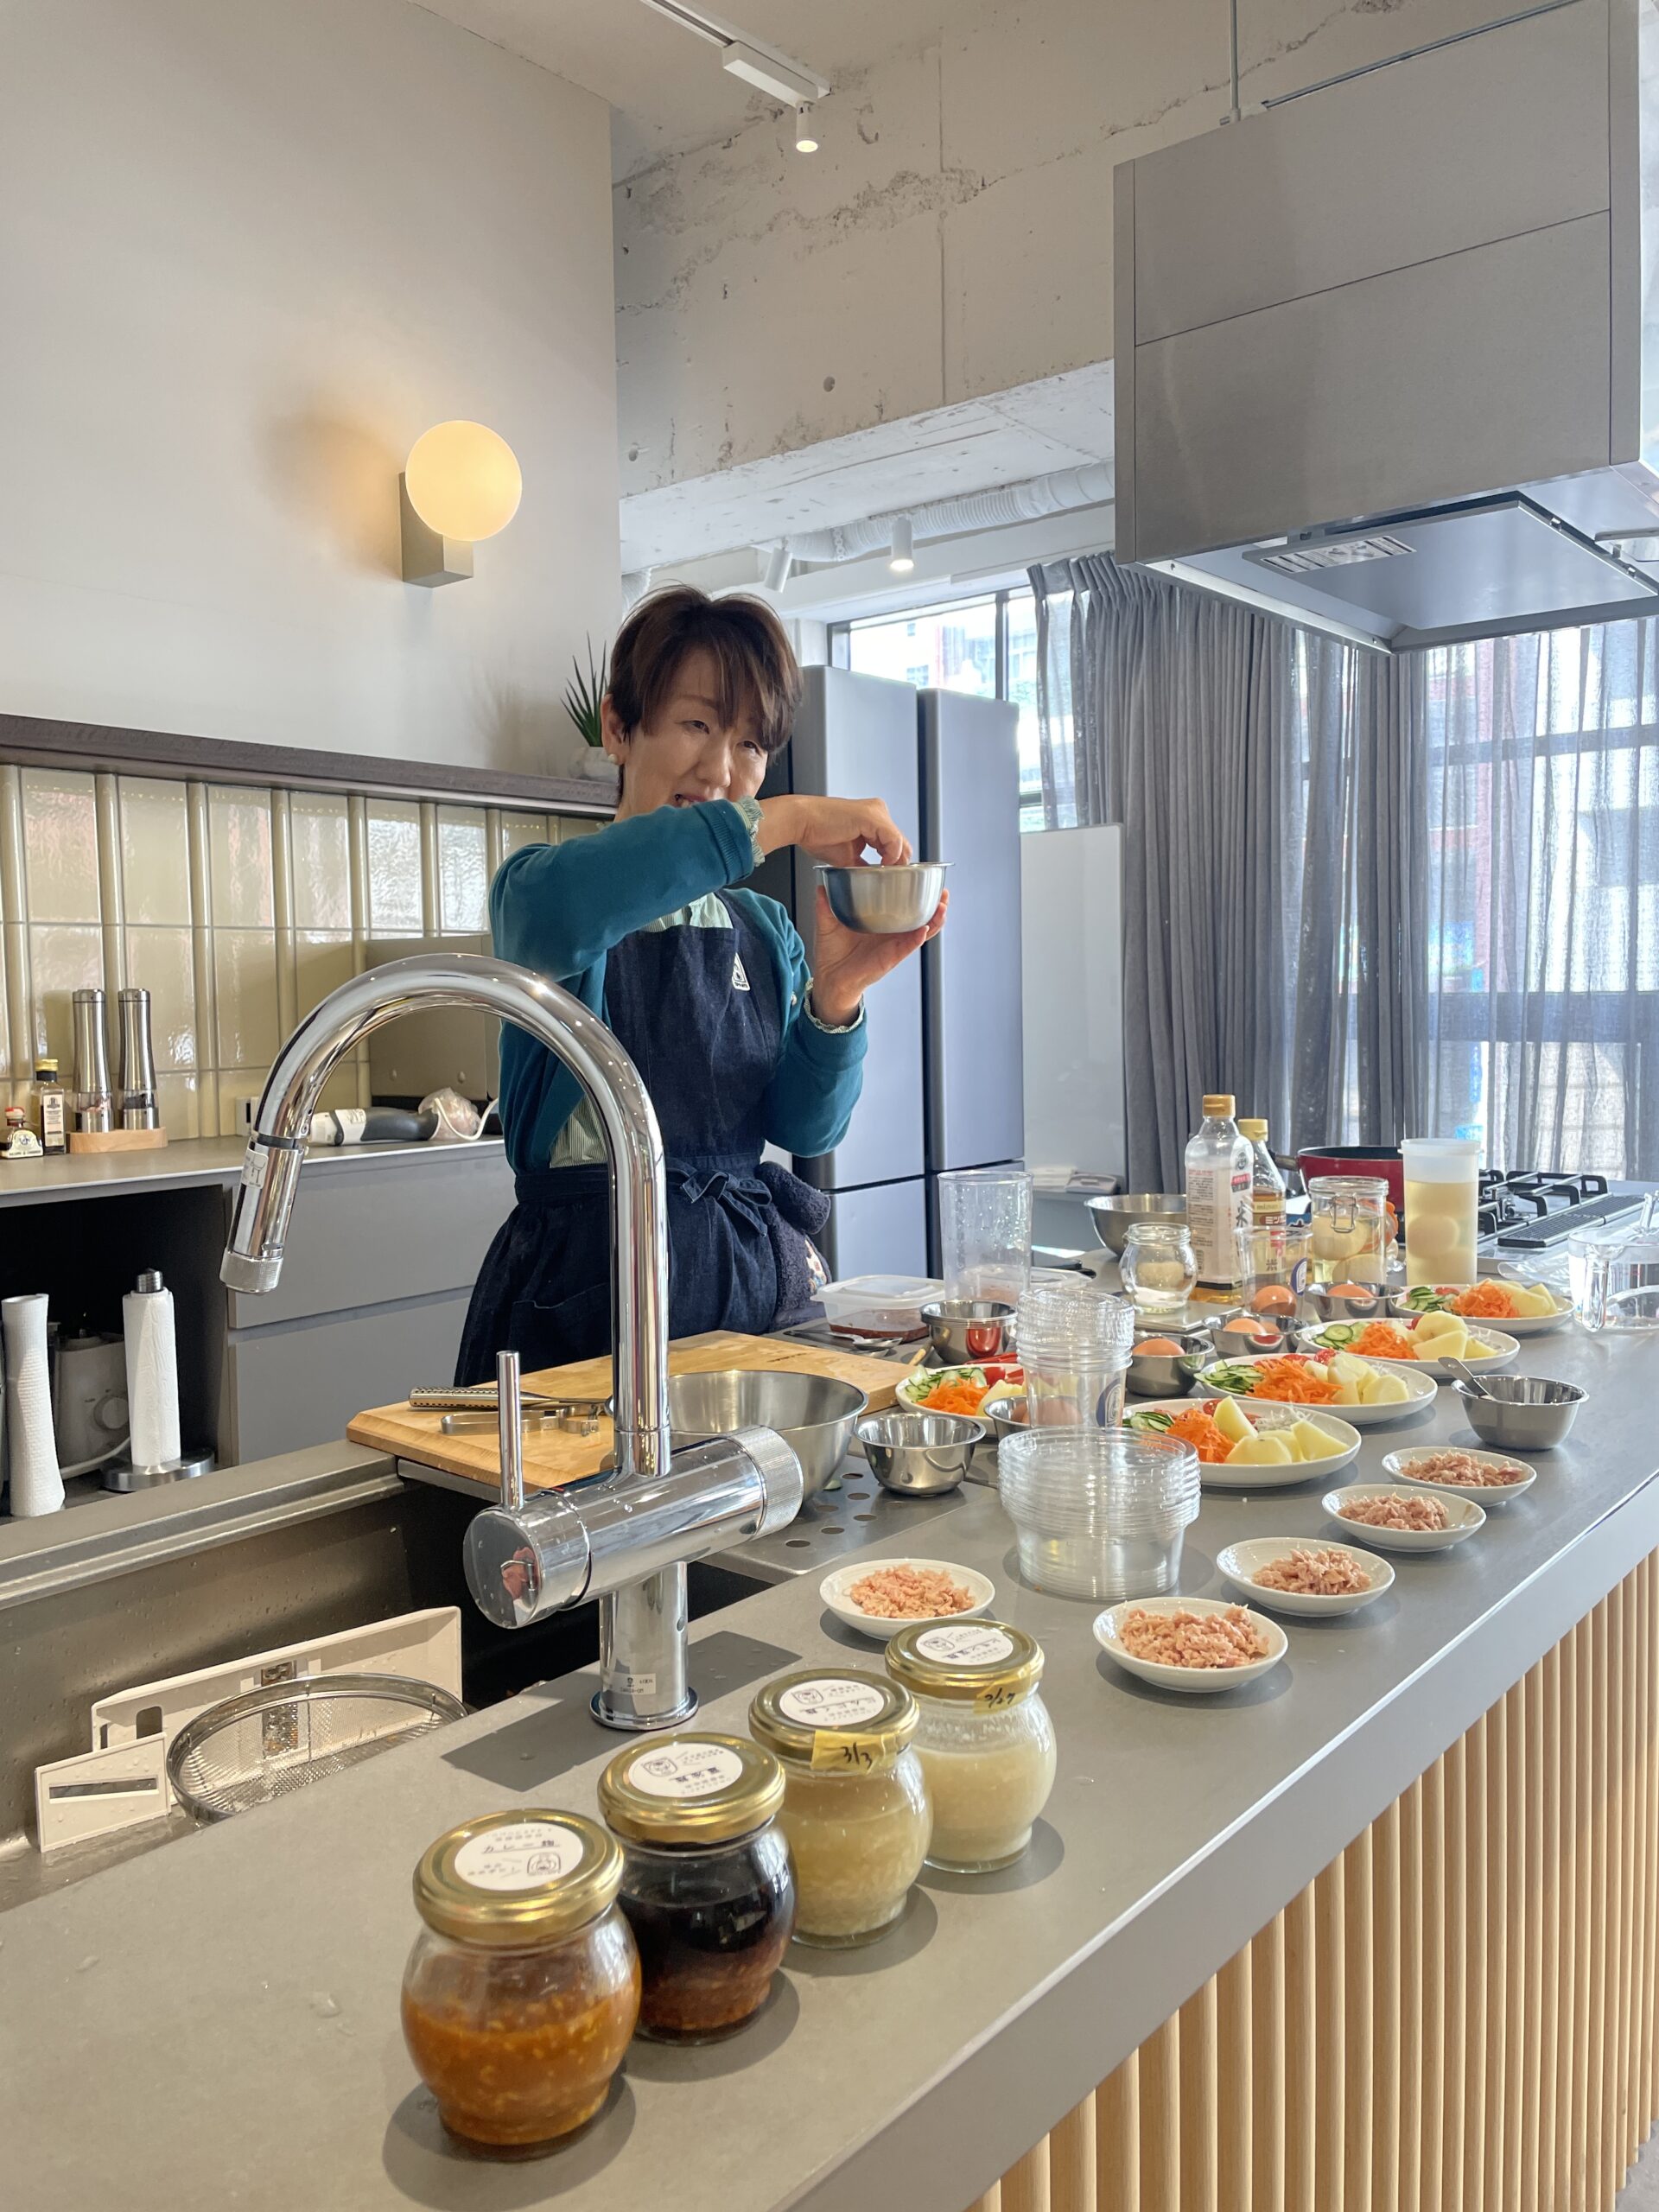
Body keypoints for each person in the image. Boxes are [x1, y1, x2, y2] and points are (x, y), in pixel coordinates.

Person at [456, 584, 946, 1382]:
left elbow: (806, 1128)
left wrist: (838, 997)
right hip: (587, 1300)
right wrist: (792, 818)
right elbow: (573, 907)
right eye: (697, 725)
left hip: (746, 1290)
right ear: (619, 727)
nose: (721, 769)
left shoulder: (763, 927)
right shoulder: (540, 893)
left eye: (751, 743)